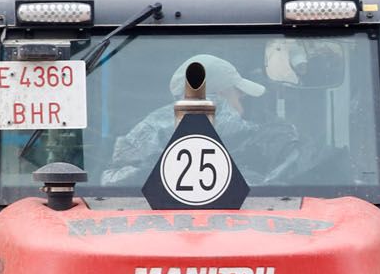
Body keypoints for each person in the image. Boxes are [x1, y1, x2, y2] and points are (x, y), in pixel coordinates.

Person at [99, 53, 305, 187]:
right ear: (221, 95)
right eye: (238, 94)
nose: (242, 102)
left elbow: (113, 183)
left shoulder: (146, 131)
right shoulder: (262, 138)